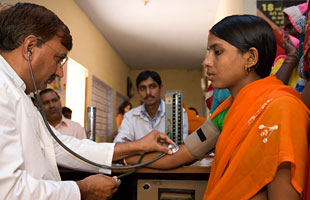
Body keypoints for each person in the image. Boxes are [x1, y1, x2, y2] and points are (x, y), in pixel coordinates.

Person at [0, 3, 175, 199]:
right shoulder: (2, 90)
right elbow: (8, 191)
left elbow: (57, 146)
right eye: (59, 59)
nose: (59, 72)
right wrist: (82, 190)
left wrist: (137, 146)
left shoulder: (18, 92)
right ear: (30, 48)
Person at [126, 15, 310, 199]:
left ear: (251, 57)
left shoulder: (282, 108)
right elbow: (178, 156)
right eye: (209, 52)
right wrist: (122, 157)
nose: (206, 61)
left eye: (218, 51)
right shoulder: (226, 111)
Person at [113, 70, 189, 143]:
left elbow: (180, 147)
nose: (148, 92)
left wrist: (136, 146)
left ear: (160, 88)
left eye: (152, 87)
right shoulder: (130, 116)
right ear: (138, 91)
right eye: (143, 88)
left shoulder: (178, 113)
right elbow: (120, 143)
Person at [271, 3, 308, 92]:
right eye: (285, 29)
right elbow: (273, 91)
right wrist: (292, 57)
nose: (286, 34)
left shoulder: (308, 62)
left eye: (290, 27)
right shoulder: (282, 62)